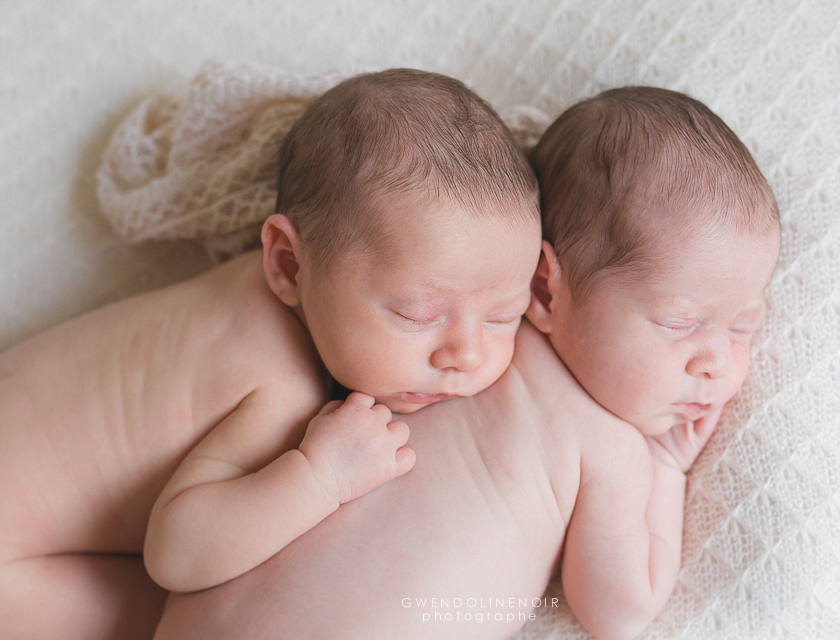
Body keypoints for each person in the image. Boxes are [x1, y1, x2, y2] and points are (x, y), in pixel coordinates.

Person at [153, 86, 781, 640]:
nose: (717, 362)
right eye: (681, 323)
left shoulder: (451, 353)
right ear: (542, 290)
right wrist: (667, 468)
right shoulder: (609, 450)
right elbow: (619, 611)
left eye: (744, 326)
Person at [0, 69, 541, 640]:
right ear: (286, 262)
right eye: (418, 315)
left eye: (505, 315)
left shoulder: (279, 288)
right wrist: (319, 478)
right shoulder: (278, 381)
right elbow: (178, 554)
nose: (466, 352)